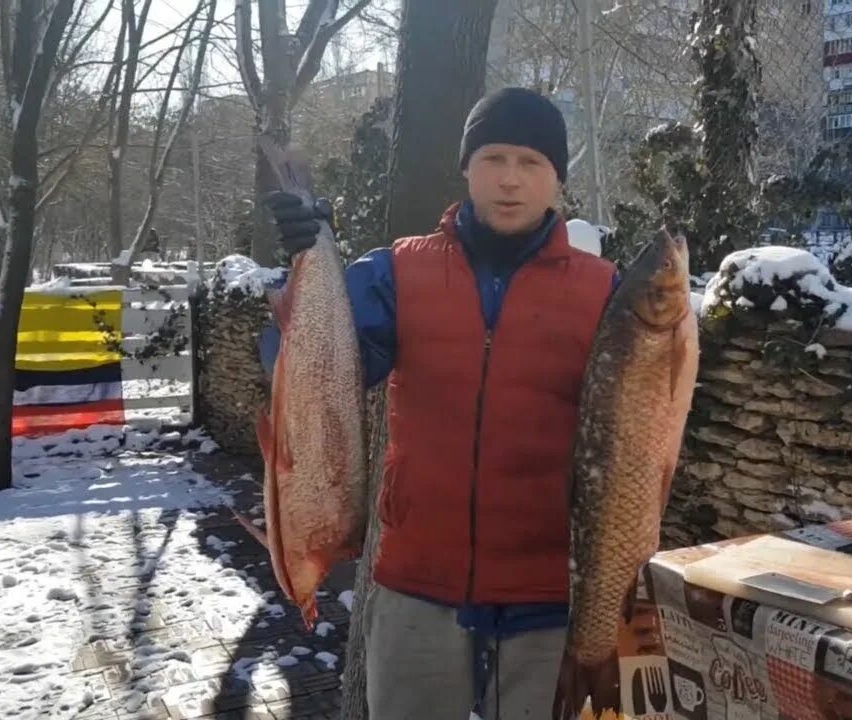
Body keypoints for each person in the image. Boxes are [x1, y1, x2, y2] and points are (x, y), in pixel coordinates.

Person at [259, 86, 619, 719]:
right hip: (417, 586)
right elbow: (303, 368)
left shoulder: (604, 292)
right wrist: (308, 252)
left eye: (531, 163)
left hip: (549, 595)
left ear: (558, 178)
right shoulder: (399, 272)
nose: (510, 180)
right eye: (493, 159)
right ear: (467, 168)